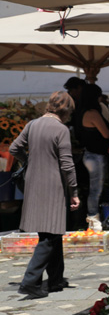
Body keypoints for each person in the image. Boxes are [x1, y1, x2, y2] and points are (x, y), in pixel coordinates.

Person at [9, 91, 80, 299]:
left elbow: (15, 148)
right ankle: (30, 282)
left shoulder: (32, 125)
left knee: (51, 231)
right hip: (53, 185)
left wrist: (28, 161)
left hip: (33, 184)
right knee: (49, 236)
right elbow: (67, 164)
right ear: (66, 111)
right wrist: (74, 191)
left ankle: (56, 280)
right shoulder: (61, 129)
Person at [81, 84, 109, 231]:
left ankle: (94, 218)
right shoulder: (93, 113)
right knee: (96, 189)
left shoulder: (83, 112)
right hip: (96, 155)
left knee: (96, 188)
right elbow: (106, 134)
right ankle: (93, 219)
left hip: (90, 154)